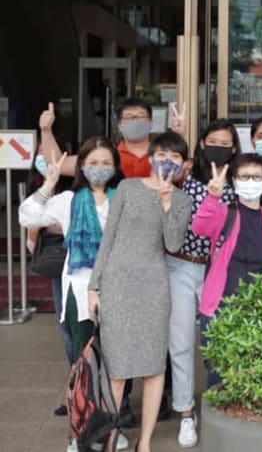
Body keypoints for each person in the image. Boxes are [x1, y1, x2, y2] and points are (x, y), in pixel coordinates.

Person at [19, 137, 129, 452]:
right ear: (81, 166)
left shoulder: (123, 199)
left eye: (105, 163)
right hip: (80, 293)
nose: (99, 168)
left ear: (115, 167)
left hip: (119, 290)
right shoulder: (68, 200)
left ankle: (109, 429)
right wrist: (48, 184)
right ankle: (80, 433)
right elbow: (28, 217)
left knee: (116, 367)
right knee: (85, 367)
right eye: (92, 163)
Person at [88, 132, 192, 452]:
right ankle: (107, 440)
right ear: (150, 158)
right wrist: (94, 285)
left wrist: (166, 203)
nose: (168, 162)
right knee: (117, 369)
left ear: (183, 165)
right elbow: (109, 238)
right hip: (117, 283)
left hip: (154, 287)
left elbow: (173, 243)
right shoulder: (128, 188)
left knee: (154, 367)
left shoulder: (182, 200)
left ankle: (144, 442)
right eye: (162, 155)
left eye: (175, 157)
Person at [167, 119, 239, 447]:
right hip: (182, 266)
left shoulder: (238, 182)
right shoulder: (188, 176)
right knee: (181, 342)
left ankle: (216, 404)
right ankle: (186, 412)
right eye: (212, 142)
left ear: (234, 148)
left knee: (217, 341)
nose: (218, 148)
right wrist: (177, 131)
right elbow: (167, 166)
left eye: (225, 143)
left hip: (219, 271)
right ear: (201, 144)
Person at [193, 153, 262, 386]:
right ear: (234, 181)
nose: (250, 181)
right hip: (219, 309)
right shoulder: (224, 213)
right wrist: (212, 197)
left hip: (256, 311)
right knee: (218, 377)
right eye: (244, 177)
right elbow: (199, 227)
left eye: (256, 176)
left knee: (254, 377)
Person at [25, 144, 75, 416]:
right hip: (59, 266)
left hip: (82, 261)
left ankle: (86, 389)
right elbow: (31, 237)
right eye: (40, 156)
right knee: (67, 327)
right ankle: (76, 387)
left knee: (84, 329)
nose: (44, 161)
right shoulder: (38, 189)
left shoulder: (75, 190)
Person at [38, 99, 186, 178]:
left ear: (151, 122)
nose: (135, 121)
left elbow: (182, 172)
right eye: (129, 117)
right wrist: (46, 130)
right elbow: (58, 164)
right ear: (120, 125)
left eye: (141, 116)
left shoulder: (163, 156)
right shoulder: (107, 155)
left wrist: (178, 136)